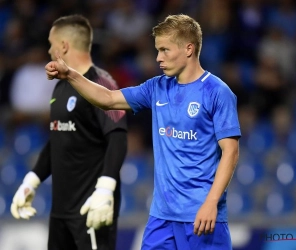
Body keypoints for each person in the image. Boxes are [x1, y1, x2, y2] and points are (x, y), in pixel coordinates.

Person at [45, 14, 241, 250]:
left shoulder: (217, 92)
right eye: (157, 50)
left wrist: (211, 202)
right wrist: (71, 75)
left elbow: (230, 152)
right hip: (162, 217)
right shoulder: (157, 87)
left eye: (165, 50)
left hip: (201, 215)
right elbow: (108, 99)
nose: (158, 58)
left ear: (189, 49)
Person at [11, 14, 128, 250]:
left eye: (51, 44)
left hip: (91, 209)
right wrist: (30, 182)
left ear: (63, 46)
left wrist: (105, 189)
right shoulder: (61, 85)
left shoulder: (102, 84)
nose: (49, 50)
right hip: (60, 211)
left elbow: (118, 136)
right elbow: (58, 137)